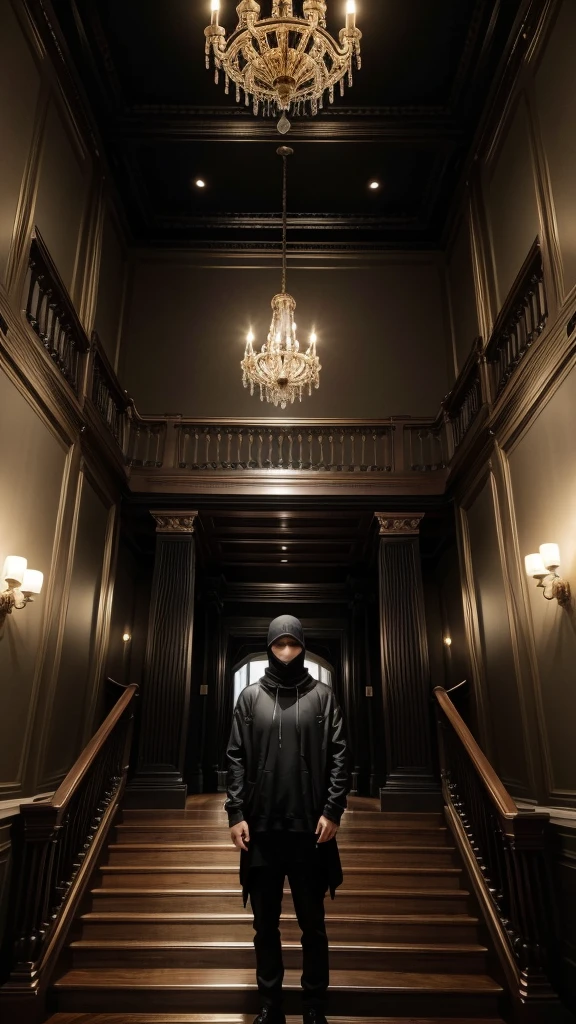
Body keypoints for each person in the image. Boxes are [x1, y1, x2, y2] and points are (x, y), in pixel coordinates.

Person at [224, 614, 350, 1024]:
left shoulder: (324, 695)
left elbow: (340, 756)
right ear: (268, 647)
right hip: (260, 832)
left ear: (302, 646)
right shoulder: (249, 697)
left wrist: (333, 810)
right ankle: (270, 1004)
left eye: (293, 645)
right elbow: (236, 757)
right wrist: (235, 813)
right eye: (278, 645)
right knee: (265, 927)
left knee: (313, 927)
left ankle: (314, 1005)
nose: (286, 652)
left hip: (310, 833)